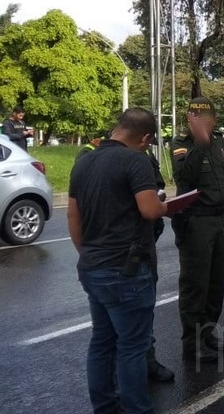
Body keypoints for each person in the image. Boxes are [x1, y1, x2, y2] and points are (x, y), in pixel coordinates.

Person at [68, 108, 168, 414]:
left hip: (92, 267)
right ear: (145, 139)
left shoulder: (84, 161)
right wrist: (165, 206)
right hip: (127, 270)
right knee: (132, 347)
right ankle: (138, 409)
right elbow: (149, 210)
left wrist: (87, 253)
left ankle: (105, 407)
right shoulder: (136, 160)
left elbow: (73, 215)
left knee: (102, 341)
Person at [170, 97, 224, 363]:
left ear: (215, 120)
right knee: (195, 284)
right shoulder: (181, 143)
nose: (201, 123)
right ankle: (192, 342)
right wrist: (200, 143)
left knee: (217, 282)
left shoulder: (220, 141)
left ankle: (208, 332)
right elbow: (184, 176)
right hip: (196, 221)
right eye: (195, 119)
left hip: (220, 220)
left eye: (206, 119)